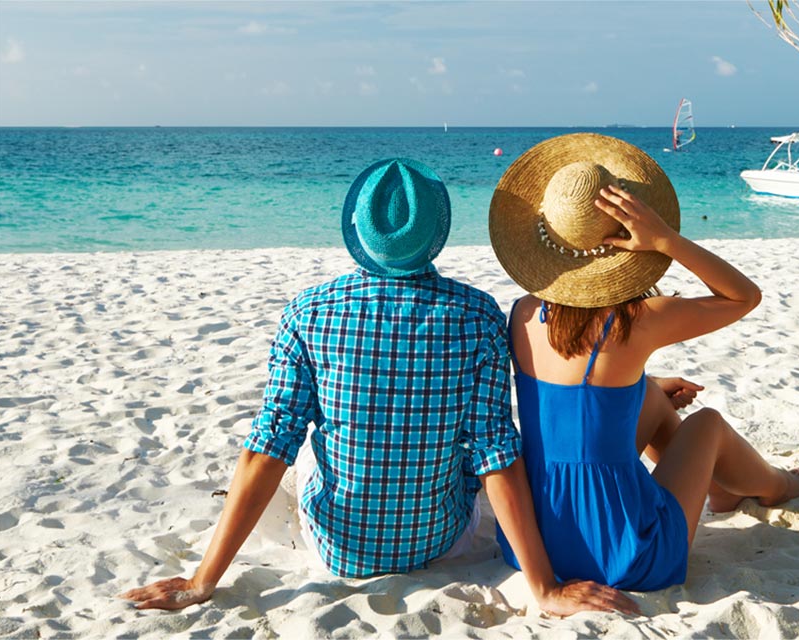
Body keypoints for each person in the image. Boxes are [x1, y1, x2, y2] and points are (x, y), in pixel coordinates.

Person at [122, 158, 638, 616]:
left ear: (359, 230)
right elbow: (494, 454)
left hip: (339, 550)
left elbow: (268, 447)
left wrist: (200, 582)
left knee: (295, 442)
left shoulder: (309, 311)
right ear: (436, 233)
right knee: (468, 438)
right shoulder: (478, 314)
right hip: (440, 539)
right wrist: (543, 587)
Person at [487, 134, 799, 590]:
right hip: (626, 552)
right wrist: (666, 239)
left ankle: (718, 488)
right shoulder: (636, 319)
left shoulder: (524, 312)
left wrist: (645, 384)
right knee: (708, 424)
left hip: (537, 541)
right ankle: (777, 486)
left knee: (650, 394)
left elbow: (573, 396)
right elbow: (744, 296)